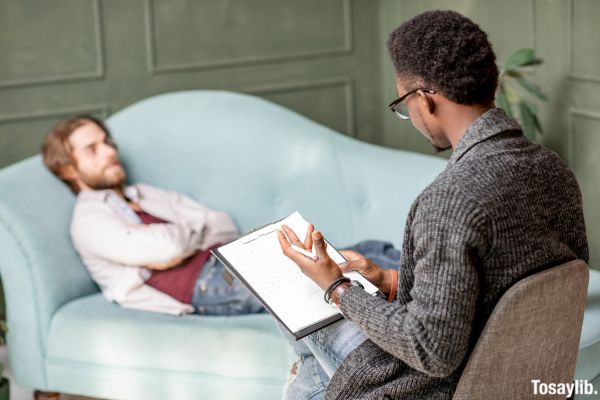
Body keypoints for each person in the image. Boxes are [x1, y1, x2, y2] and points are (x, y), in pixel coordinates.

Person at [277, 10, 589, 400]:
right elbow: (500, 292)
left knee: (300, 321)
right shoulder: (553, 170)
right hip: (525, 382)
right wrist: (392, 281)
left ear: (425, 98)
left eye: (405, 105)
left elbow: (431, 351)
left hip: (441, 388)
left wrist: (336, 286)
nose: (411, 115)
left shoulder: (448, 201)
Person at [41, 116, 401, 317]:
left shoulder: (143, 195)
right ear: (68, 169)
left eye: (107, 142)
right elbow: (166, 249)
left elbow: (222, 223)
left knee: (364, 251)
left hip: (228, 257)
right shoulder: (88, 220)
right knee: (320, 279)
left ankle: (434, 285)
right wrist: (186, 237)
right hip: (203, 285)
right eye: (93, 149)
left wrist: (181, 239)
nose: (109, 152)